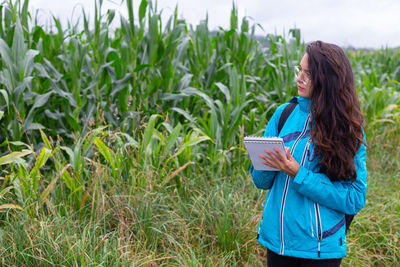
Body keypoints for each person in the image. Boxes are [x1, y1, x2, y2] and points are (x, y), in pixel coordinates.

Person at [250, 40, 367, 267]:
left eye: (308, 74)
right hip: (277, 243)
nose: (299, 79)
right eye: (299, 70)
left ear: (327, 80)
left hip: (320, 250)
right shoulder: (283, 114)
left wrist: (297, 173)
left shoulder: (347, 129)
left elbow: (354, 198)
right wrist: (263, 161)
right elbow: (261, 182)